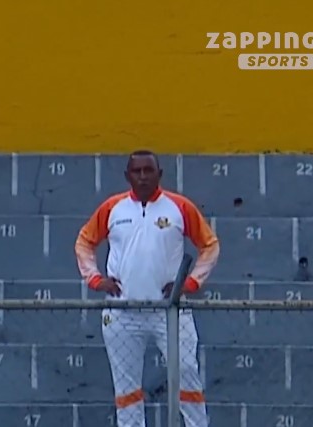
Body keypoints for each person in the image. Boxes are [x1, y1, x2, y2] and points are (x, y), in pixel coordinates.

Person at [75, 150, 220, 427]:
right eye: (137, 171)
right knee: (126, 388)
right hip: (122, 312)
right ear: (127, 175)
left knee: (186, 374)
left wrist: (189, 283)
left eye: (148, 170)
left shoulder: (179, 207)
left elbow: (210, 245)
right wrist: (95, 279)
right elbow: (84, 242)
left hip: (171, 311)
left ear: (159, 174)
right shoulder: (112, 208)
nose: (143, 176)